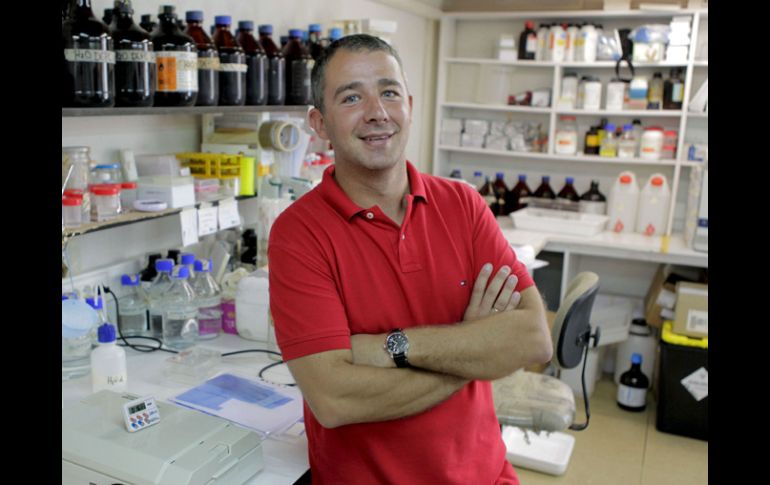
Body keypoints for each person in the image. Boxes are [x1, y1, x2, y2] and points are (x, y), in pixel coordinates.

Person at [268, 34, 552, 484]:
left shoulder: (463, 205)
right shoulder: (299, 234)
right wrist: (472, 351)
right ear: (319, 123)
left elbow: (533, 339)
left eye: (389, 92)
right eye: (351, 97)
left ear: (410, 106)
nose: (377, 112)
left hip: (486, 475)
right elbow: (335, 400)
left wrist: (390, 347)